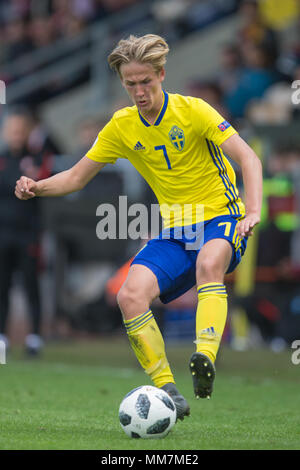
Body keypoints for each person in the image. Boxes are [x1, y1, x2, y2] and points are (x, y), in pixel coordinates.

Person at [15, 34, 262, 420]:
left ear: (161, 74)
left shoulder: (194, 111)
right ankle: (167, 391)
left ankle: (204, 358)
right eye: (130, 84)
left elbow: (249, 157)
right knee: (129, 295)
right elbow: (78, 177)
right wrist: (37, 187)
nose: (139, 91)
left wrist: (253, 210)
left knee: (209, 265)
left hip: (223, 216)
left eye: (145, 81)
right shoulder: (122, 126)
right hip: (176, 230)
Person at [1, 110, 54, 355]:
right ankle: (3, 335)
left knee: (31, 283)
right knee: (3, 285)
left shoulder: (38, 158)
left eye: (20, 131)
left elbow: (44, 180)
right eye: (12, 130)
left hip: (28, 233)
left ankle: (34, 336)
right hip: (3, 233)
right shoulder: (1, 159)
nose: (16, 135)